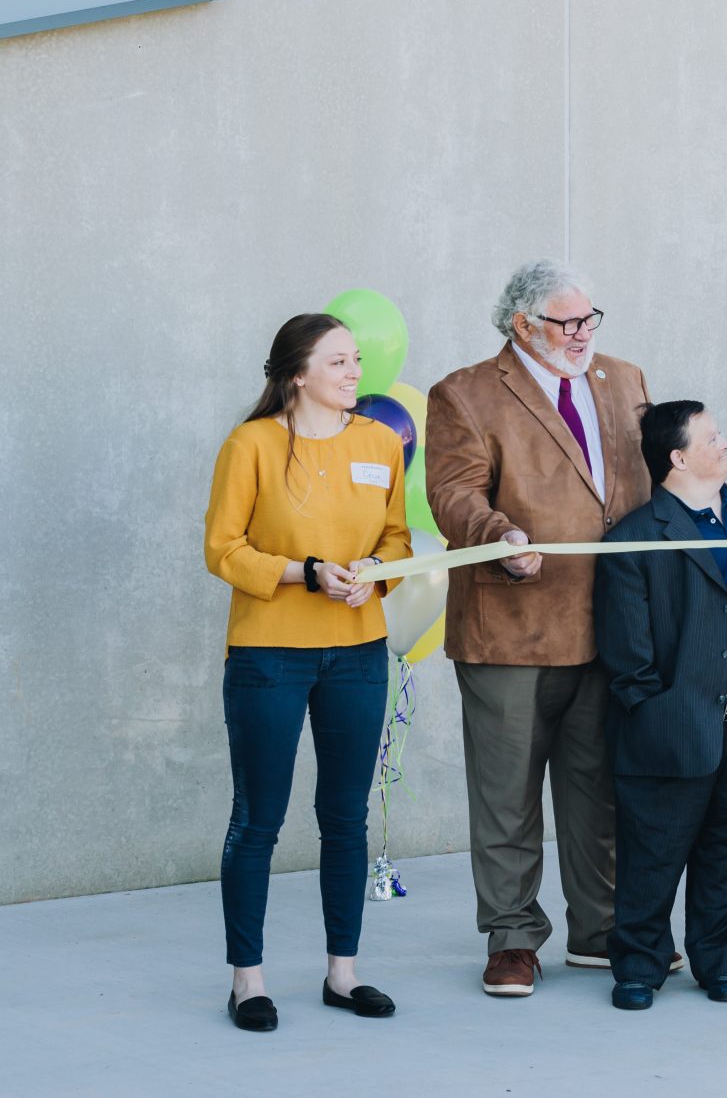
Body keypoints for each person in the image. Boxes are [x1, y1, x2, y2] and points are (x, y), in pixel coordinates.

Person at [425, 260, 653, 997]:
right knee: (507, 794)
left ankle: (600, 928)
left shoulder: (624, 378)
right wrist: (498, 532)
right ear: (524, 324)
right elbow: (453, 492)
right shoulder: (465, 393)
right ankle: (513, 937)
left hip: (608, 625)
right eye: (569, 322)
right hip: (511, 628)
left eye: (591, 319)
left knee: (599, 792)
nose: (585, 334)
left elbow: (648, 484)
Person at [203, 313, 411, 1031]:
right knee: (257, 819)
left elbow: (396, 538)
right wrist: (307, 572)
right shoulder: (251, 444)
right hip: (268, 653)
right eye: (338, 363)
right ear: (297, 374)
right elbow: (223, 550)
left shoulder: (381, 442)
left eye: (357, 360)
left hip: (357, 650)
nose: (355, 373)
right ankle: (247, 979)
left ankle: (343, 973)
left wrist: (374, 576)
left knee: (344, 817)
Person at [595, 401, 727, 1011]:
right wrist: (658, 712)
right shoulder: (634, 538)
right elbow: (627, 655)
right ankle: (638, 964)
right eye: (712, 437)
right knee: (654, 855)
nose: (725, 442)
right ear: (678, 457)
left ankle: (719, 962)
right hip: (673, 726)